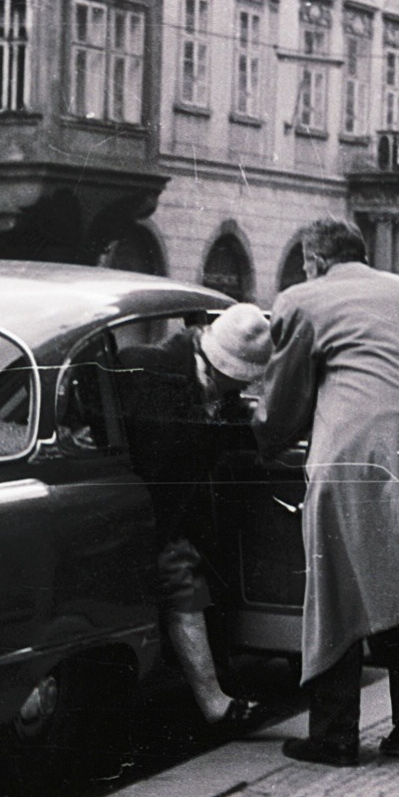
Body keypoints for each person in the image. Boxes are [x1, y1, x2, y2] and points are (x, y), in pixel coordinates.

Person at [254, 219, 399, 766]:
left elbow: (283, 397)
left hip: (358, 446)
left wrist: (266, 438)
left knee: (339, 581)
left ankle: (334, 735)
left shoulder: (303, 298)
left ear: (314, 260)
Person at [117, 303, 272, 734]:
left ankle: (213, 694)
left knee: (198, 577)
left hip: (169, 508)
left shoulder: (200, 377)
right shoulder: (148, 368)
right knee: (182, 579)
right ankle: (214, 703)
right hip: (140, 508)